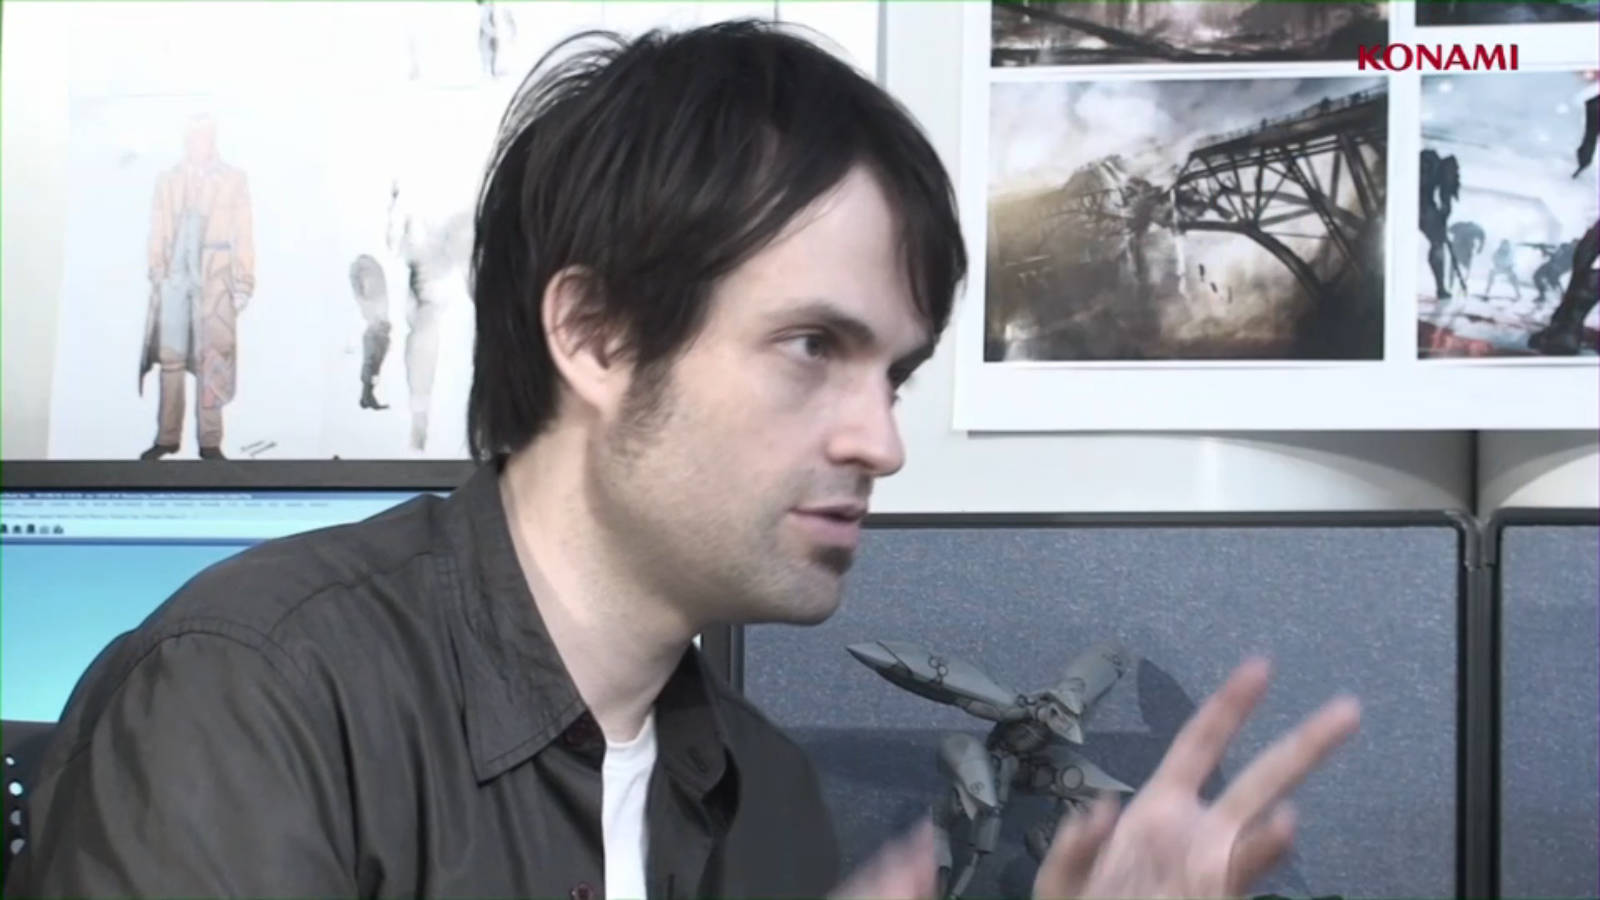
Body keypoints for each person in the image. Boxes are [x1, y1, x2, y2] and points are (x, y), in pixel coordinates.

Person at [9, 22, 1360, 900]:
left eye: (892, 375)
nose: (881, 441)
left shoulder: (762, 798)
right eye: (811, 346)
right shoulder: (254, 703)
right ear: (595, 337)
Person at [137, 113, 256, 462]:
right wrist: (157, 270)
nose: (196, 143)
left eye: (203, 136)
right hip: (174, 280)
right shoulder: (168, 179)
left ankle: (210, 442)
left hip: (215, 279)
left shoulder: (234, 179)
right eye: (191, 137)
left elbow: (243, 233)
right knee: (171, 359)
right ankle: (167, 438)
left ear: (213, 140)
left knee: (213, 360)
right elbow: (157, 226)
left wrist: (244, 281)